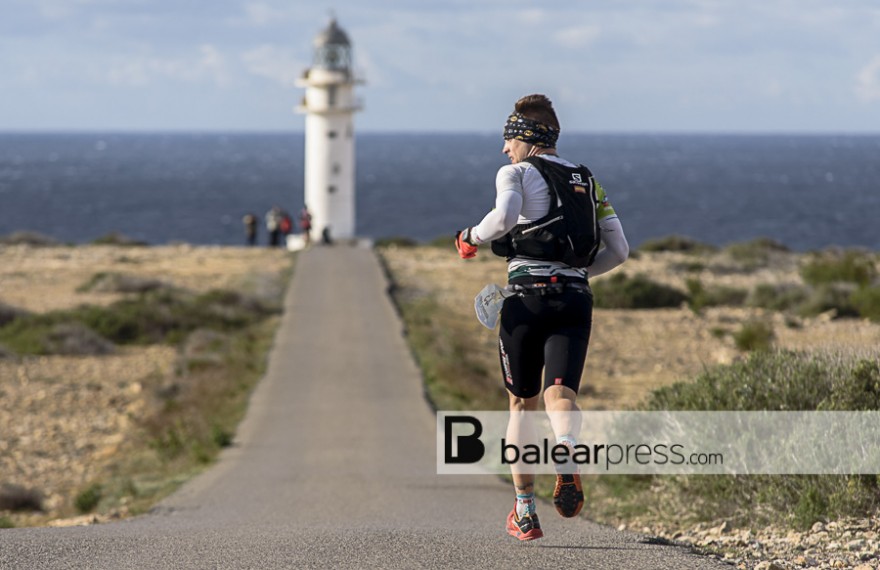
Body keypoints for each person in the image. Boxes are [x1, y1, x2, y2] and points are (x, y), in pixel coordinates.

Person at [454, 94, 629, 541]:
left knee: (521, 406)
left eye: (508, 138)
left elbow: (505, 217)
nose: (503, 149)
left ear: (526, 137)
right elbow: (619, 252)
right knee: (561, 393)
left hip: (526, 299)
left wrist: (469, 237)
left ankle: (525, 512)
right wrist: (571, 274)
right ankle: (566, 452)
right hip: (574, 297)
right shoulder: (588, 181)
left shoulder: (514, 172)